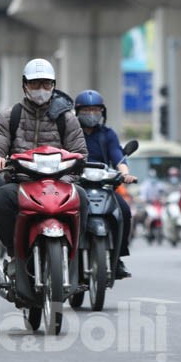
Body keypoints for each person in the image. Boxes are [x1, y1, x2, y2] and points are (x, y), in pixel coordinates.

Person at [0, 58, 88, 283]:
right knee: (1, 198)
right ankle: (13, 254)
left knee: (83, 198)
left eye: (46, 84)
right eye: (35, 84)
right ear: (24, 85)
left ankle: (76, 255)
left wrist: (70, 176)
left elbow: (80, 152)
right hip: (22, 183)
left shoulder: (67, 118)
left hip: (60, 184)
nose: (41, 90)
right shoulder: (10, 116)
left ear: (54, 85)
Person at [74, 89, 136, 279]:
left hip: (103, 186)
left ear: (102, 112)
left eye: (95, 109)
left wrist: (125, 174)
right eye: (86, 110)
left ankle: (118, 258)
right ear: (77, 112)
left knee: (124, 211)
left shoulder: (108, 134)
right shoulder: (71, 133)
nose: (91, 114)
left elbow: (119, 158)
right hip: (76, 186)